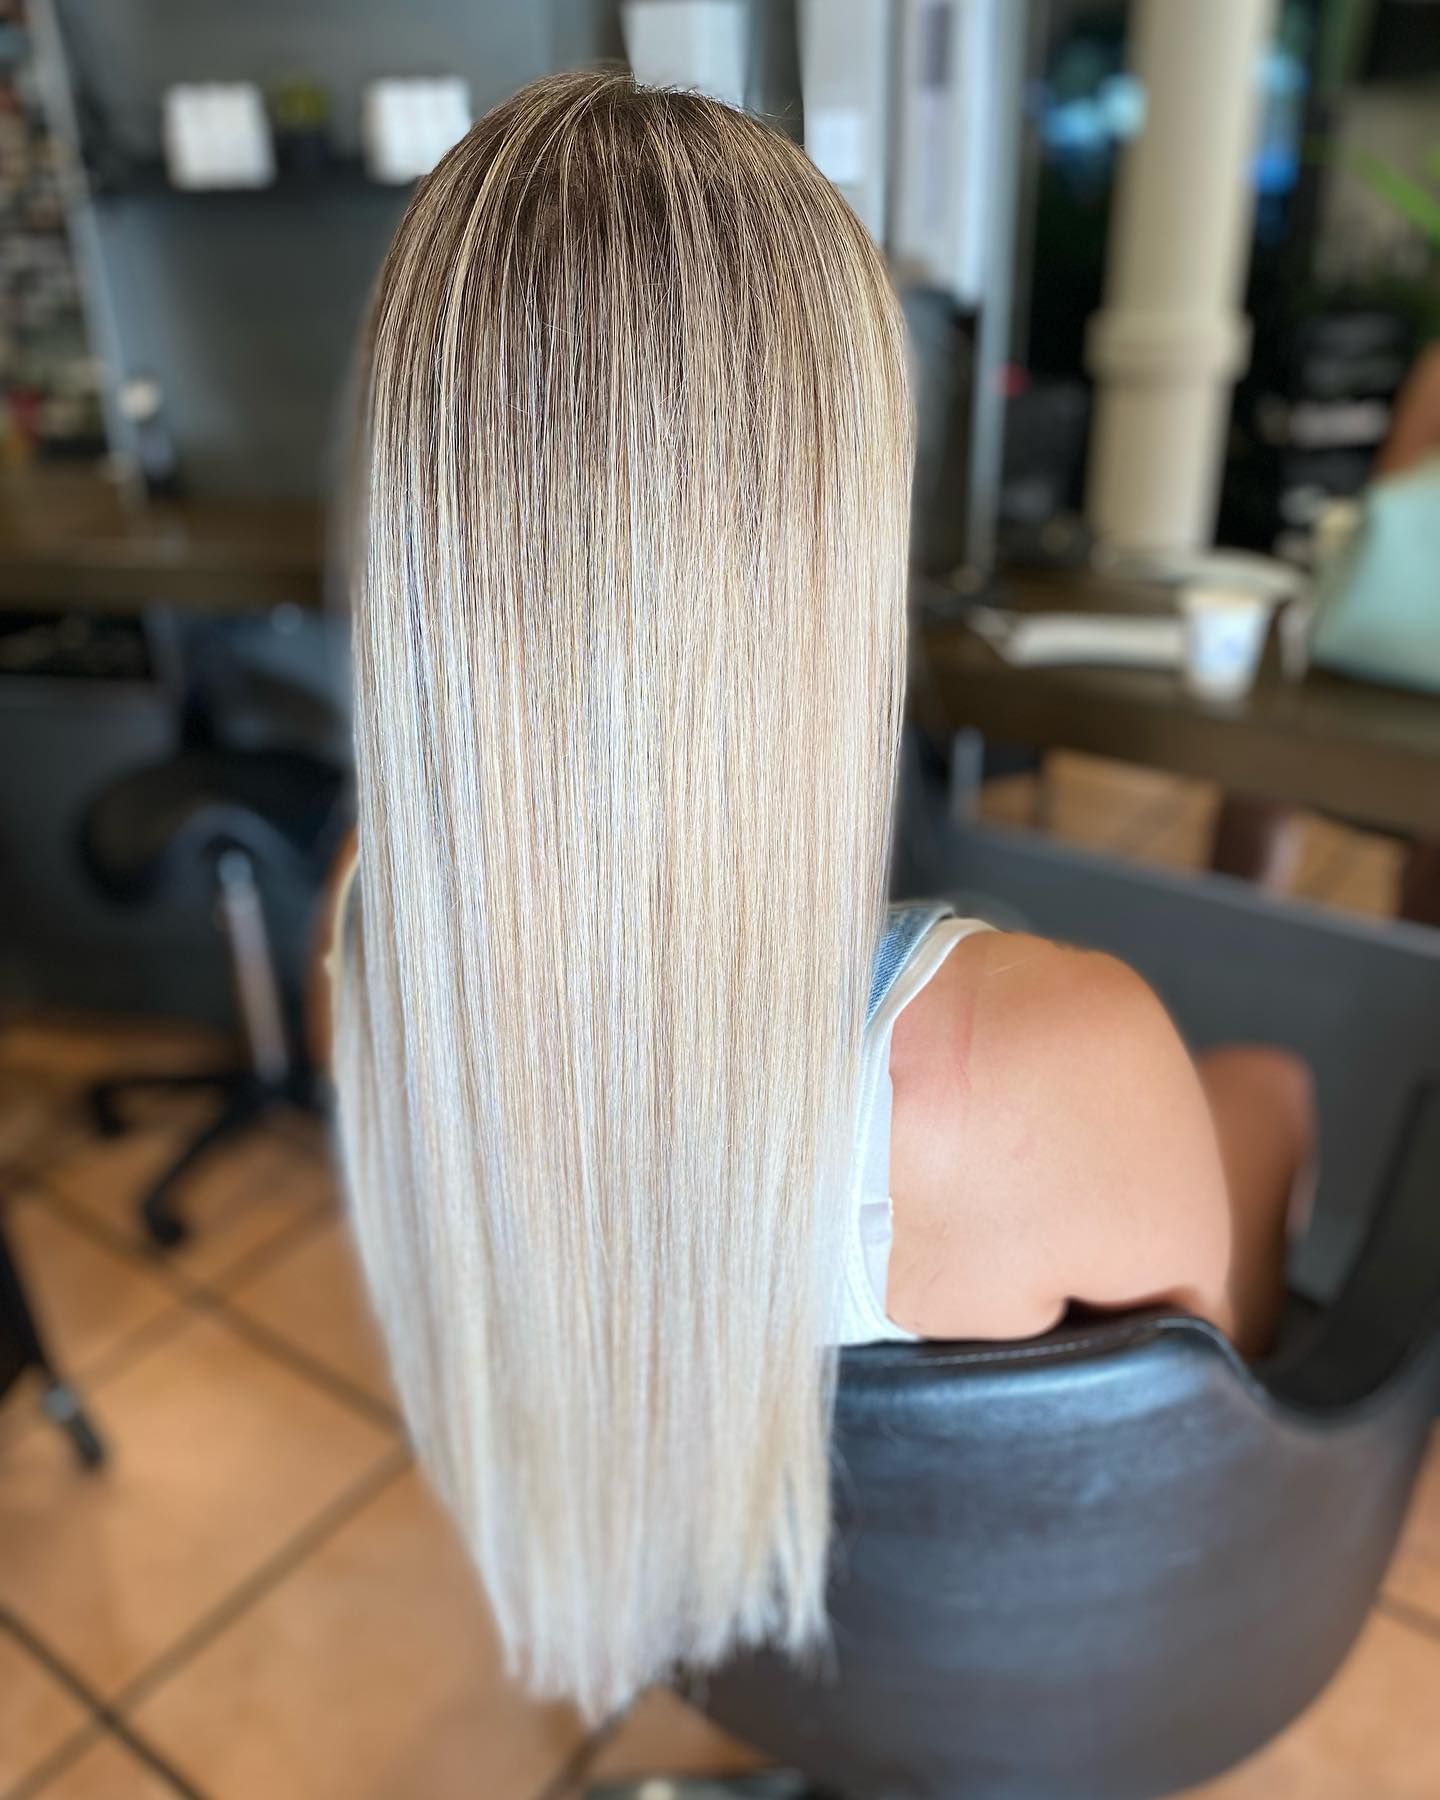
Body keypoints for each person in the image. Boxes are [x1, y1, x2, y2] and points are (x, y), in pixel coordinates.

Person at [327, 70, 1313, 1721]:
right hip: (1020, 1660)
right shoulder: (1035, 1061)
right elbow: (1178, 1444)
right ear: (836, 509)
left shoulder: (373, 931)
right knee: (1270, 1088)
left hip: (703, 1629)